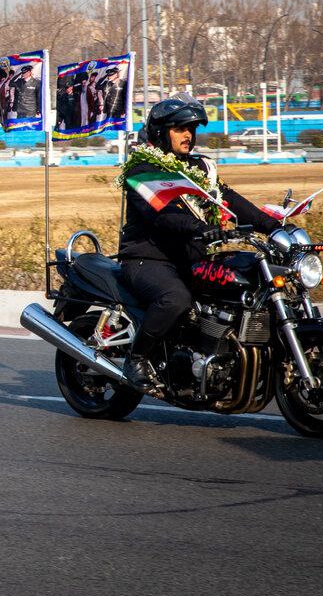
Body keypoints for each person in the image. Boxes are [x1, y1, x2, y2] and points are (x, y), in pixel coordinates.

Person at [117, 94, 280, 389]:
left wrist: (273, 226)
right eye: (180, 129)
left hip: (189, 258)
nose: (188, 136)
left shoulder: (199, 170)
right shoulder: (144, 170)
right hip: (148, 259)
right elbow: (162, 215)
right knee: (175, 299)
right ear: (160, 132)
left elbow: (229, 200)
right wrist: (201, 227)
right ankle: (136, 358)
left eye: (191, 129)